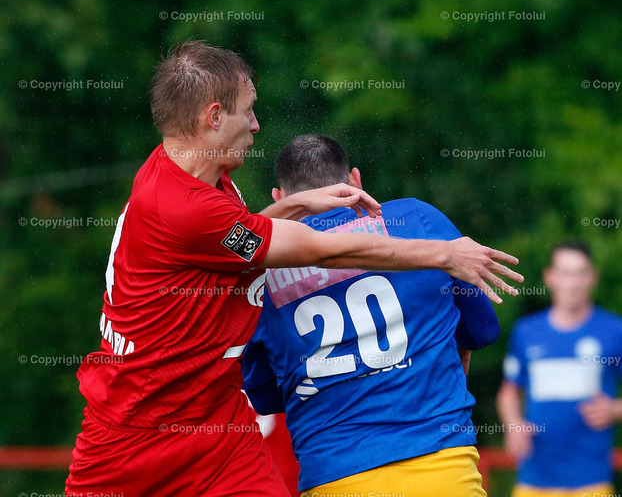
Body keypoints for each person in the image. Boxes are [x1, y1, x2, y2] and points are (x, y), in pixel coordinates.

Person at [64, 41, 522, 497]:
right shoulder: (184, 207)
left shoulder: (197, 175)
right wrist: (444, 254)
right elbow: (324, 252)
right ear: (214, 117)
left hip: (219, 423)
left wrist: (296, 204)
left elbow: (232, 240)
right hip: (139, 427)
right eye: (249, 110)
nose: (256, 125)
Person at [243, 133, 506, 497]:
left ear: (280, 199)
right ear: (355, 180)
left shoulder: (259, 272)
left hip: (334, 474)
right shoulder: (417, 218)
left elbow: (265, 396)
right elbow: (481, 329)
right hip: (440, 462)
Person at [497, 240, 622, 497]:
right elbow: (509, 391)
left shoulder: (614, 331)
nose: (573, 283)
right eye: (565, 273)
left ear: (593, 277)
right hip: (533, 481)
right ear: (550, 277)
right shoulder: (526, 331)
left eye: (580, 273)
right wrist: (513, 424)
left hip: (591, 481)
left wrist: (614, 409)